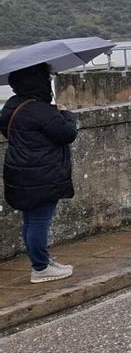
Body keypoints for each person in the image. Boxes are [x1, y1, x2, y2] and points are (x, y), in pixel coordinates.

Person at [1, 63, 78, 284]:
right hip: (42, 174)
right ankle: (41, 268)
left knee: (30, 220)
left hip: (19, 171)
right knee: (39, 220)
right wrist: (66, 114)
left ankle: (42, 260)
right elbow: (66, 134)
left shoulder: (13, 105)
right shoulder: (41, 110)